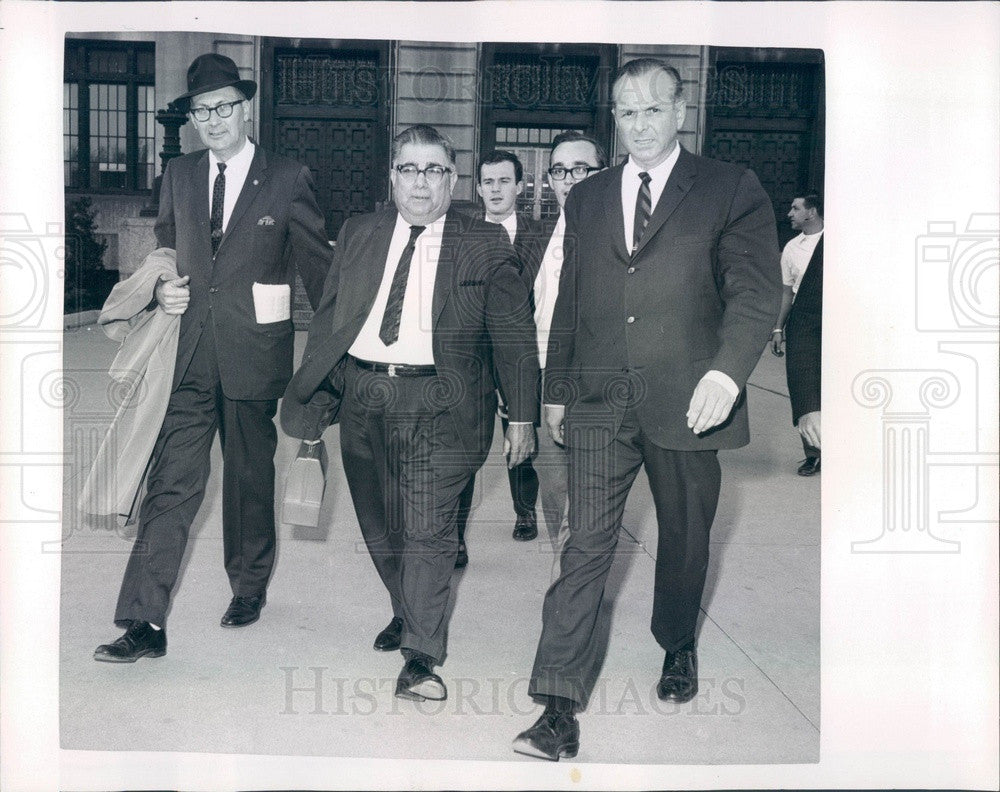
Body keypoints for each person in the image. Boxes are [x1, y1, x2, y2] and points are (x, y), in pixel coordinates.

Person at [512, 58, 782, 759]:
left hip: (691, 402)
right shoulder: (590, 195)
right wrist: (557, 392)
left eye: (652, 110)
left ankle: (678, 642)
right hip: (601, 401)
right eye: (626, 113)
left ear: (680, 110)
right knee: (584, 548)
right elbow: (570, 299)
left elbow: (755, 292)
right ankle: (557, 706)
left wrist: (727, 373)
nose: (638, 125)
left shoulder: (730, 188)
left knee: (686, 543)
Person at [280, 124, 539, 702]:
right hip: (364, 393)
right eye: (409, 169)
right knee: (380, 524)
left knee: (428, 530)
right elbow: (331, 319)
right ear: (392, 177)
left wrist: (521, 415)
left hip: (443, 402)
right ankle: (405, 607)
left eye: (435, 171)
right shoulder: (359, 232)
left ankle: (421, 654)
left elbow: (514, 337)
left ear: (453, 179)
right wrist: (321, 398)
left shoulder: (487, 242)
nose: (421, 183)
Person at [94, 53, 332, 662]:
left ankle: (248, 585)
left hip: (256, 352)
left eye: (225, 106)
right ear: (193, 118)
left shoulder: (287, 175)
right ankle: (144, 621)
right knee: (171, 485)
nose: (214, 119)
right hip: (188, 351)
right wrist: (162, 285)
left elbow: (319, 270)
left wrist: (330, 364)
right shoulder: (177, 171)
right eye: (202, 110)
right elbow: (167, 248)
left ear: (246, 108)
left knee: (251, 480)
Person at [452, 150, 543, 563]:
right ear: (478, 187)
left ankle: (524, 511)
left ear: (520, 187)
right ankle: (454, 534)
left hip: (519, 354)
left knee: (520, 436)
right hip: (472, 360)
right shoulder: (462, 235)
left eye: (503, 181)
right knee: (464, 444)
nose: (494, 189)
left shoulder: (541, 236)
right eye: (487, 182)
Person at [771, 194, 824, 475]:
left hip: (837, 320)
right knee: (805, 386)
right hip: (805, 323)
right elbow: (786, 292)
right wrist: (778, 328)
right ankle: (813, 452)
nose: (789, 213)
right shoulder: (792, 248)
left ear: (812, 212)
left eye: (796, 208)